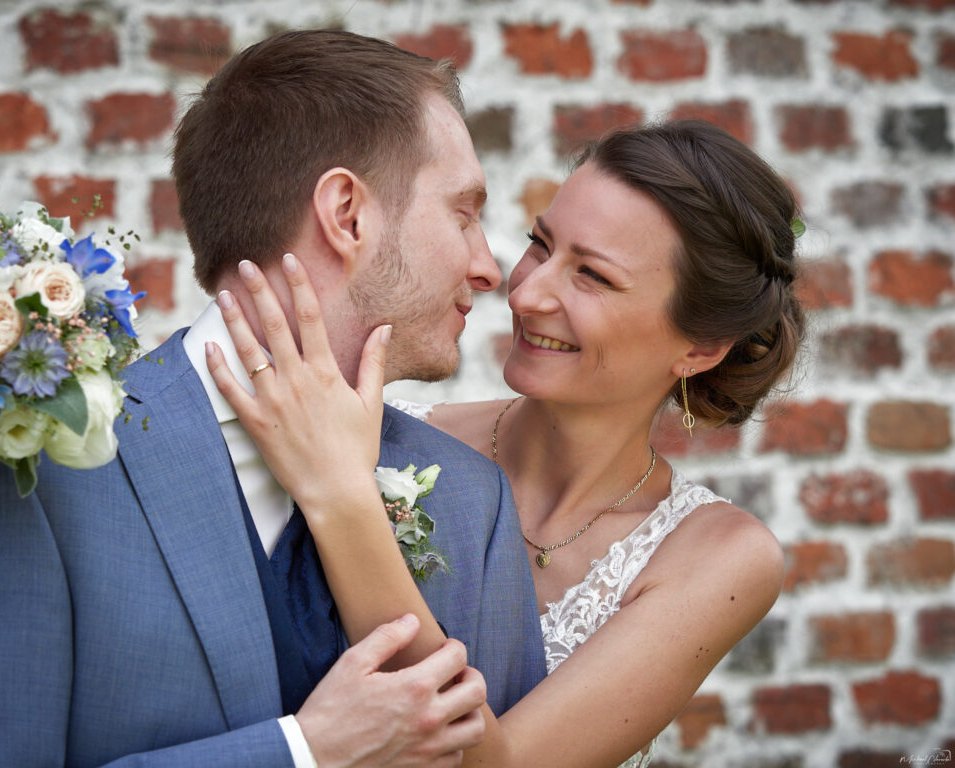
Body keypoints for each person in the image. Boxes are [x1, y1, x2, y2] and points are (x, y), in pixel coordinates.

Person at [0, 30, 547, 767]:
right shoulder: (36, 462)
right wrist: (302, 752)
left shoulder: (474, 504)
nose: (488, 267)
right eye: (464, 212)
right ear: (347, 212)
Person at [204, 118, 805, 767]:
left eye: (593, 277)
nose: (525, 291)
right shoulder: (374, 430)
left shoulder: (719, 556)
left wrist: (343, 501)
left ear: (700, 347)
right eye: (540, 245)